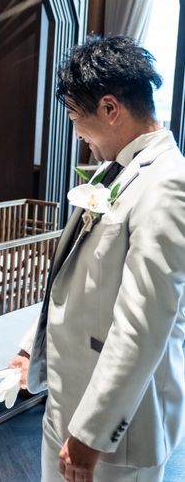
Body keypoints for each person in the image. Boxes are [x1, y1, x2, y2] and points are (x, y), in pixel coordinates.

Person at [11, 35, 185, 482]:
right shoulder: (114, 169)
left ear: (110, 108)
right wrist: (32, 347)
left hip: (114, 435)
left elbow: (143, 324)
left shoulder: (168, 184)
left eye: (75, 117)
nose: (76, 133)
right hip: (67, 398)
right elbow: (75, 276)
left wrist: (92, 434)